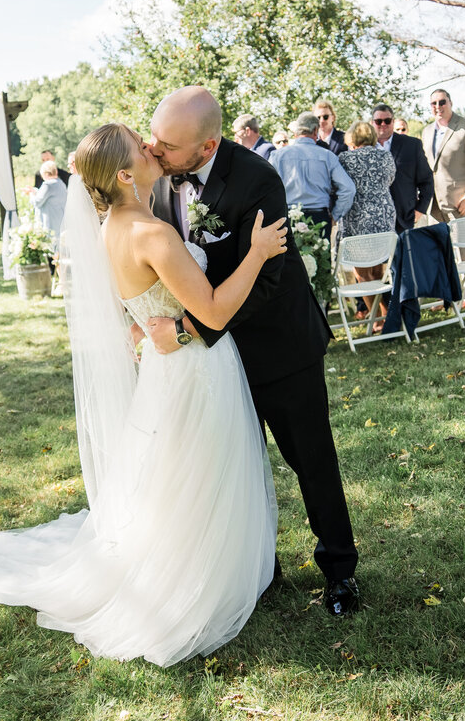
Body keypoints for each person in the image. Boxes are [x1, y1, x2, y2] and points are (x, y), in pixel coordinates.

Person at [0, 121, 289, 666]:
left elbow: (135, 309)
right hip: (195, 371)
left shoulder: (113, 227)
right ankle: (197, 579)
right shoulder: (151, 234)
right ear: (126, 174)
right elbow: (216, 310)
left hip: (163, 369)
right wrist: (259, 251)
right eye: (141, 147)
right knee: (201, 473)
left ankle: (194, 562)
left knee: (176, 477)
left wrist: (146, 329)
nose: (153, 148)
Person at [147, 86, 361, 618]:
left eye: (167, 145)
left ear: (208, 145)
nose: (154, 150)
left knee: (310, 462)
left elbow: (265, 278)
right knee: (238, 465)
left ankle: (340, 572)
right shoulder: (155, 179)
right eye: (153, 137)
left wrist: (190, 327)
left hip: (279, 346)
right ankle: (259, 569)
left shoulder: (256, 179)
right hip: (216, 362)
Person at [423, 90, 465, 304]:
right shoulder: (426, 132)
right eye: (433, 103)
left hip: (461, 202)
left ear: (450, 102)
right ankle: (445, 296)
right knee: (438, 250)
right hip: (434, 203)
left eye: (442, 102)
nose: (438, 106)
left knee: (464, 249)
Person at [338, 120, 397, 324]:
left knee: (362, 273)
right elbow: (390, 179)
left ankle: (378, 319)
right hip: (384, 216)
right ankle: (384, 315)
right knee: (378, 269)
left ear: (352, 139)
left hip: (358, 218)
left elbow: (340, 186)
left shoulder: (345, 158)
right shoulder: (385, 155)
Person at [269, 112, 356, 240]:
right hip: (319, 218)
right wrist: (335, 215)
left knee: (289, 260)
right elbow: (348, 189)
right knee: (320, 259)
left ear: (296, 133)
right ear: (316, 130)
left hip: (288, 218)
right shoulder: (327, 156)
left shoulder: (277, 156)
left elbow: (266, 189)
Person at [372, 102, 433, 234]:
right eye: (378, 121)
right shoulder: (364, 147)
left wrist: (420, 210)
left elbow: (427, 180)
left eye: (387, 121)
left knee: (403, 254)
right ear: (373, 123)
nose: (383, 124)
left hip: (403, 218)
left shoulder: (411, 145)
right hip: (372, 220)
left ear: (393, 122)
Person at [30, 160, 67, 246]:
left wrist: (31, 194)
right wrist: (35, 191)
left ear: (46, 173)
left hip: (49, 222)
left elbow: (37, 202)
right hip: (59, 220)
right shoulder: (61, 183)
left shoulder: (47, 185)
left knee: (50, 246)